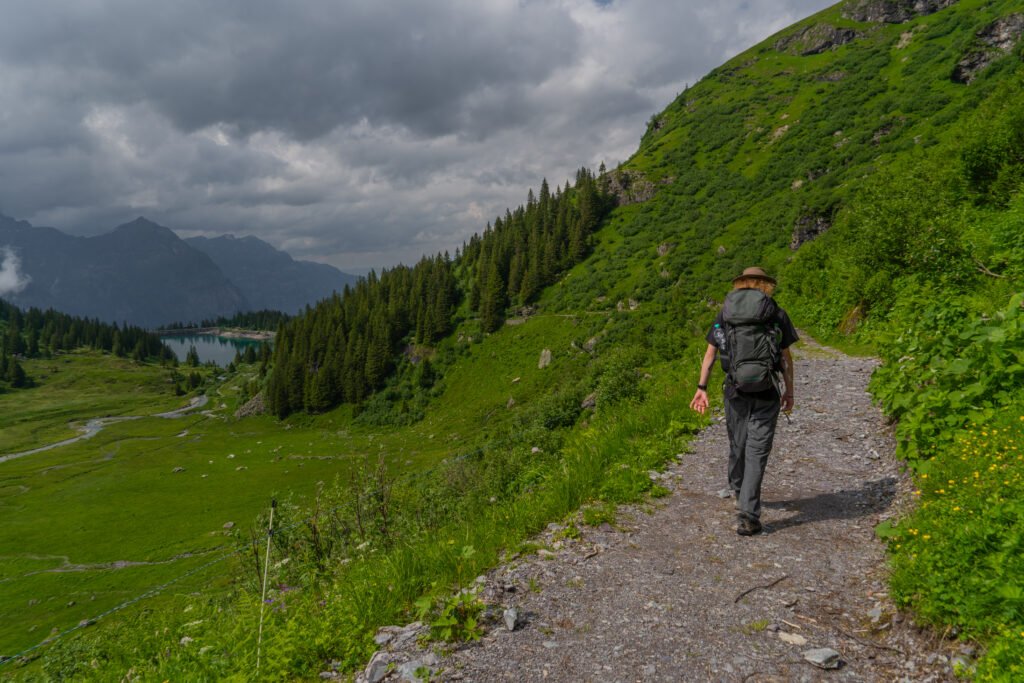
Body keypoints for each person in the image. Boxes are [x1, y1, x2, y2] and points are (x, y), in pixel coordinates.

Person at [689, 267, 798, 536]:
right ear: (765, 286)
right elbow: (786, 359)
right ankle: (748, 516)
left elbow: (710, 354)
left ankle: (738, 489)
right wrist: (790, 391)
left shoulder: (725, 313)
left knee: (738, 442)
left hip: (735, 391)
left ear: (740, 285)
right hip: (767, 390)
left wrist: (701, 387)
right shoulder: (776, 312)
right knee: (757, 450)